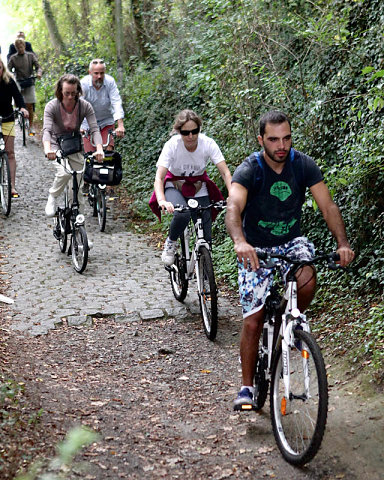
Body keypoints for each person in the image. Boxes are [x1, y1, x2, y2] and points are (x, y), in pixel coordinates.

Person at [225, 110, 355, 410]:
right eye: (273, 139)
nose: (280, 145)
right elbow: (233, 206)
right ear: (261, 140)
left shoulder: (303, 164)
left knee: (308, 277)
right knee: (254, 319)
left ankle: (289, 322)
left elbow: (328, 206)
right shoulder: (250, 169)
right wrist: (240, 242)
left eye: (286, 138)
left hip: (291, 242)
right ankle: (246, 387)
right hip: (255, 247)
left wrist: (343, 243)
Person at [149, 109, 232, 265]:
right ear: (179, 132)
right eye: (185, 132)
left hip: (197, 186)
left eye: (194, 131)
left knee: (206, 234)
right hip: (174, 185)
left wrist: (233, 194)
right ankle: (171, 243)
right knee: (182, 214)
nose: (190, 136)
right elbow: (159, 177)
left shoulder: (207, 143)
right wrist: (162, 200)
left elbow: (225, 173)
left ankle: (205, 271)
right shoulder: (172, 145)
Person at [42, 74, 103, 221]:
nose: (70, 97)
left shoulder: (84, 106)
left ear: (78, 92)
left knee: (76, 191)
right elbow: (47, 131)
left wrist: (99, 149)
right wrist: (47, 149)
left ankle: (79, 232)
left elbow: (94, 128)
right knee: (64, 173)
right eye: (66, 93)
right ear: (60, 92)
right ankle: (52, 195)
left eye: (73, 93)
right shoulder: (52, 106)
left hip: (75, 146)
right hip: (56, 145)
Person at [80, 58, 125, 152]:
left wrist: (120, 125)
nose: (99, 76)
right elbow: (78, 106)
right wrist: (79, 125)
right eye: (96, 73)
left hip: (106, 122)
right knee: (91, 156)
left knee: (108, 152)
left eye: (102, 73)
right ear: (90, 72)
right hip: (88, 124)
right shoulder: (83, 84)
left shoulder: (110, 82)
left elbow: (116, 102)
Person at [0, 57, 29, 198]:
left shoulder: (9, 81)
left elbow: (18, 97)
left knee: (10, 152)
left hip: (7, 118)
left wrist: (23, 108)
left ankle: (12, 187)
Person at [8, 38, 42, 135]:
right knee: (17, 101)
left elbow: (38, 66)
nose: (20, 48)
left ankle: (30, 126)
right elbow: (9, 70)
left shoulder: (30, 56)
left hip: (29, 81)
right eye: (18, 47)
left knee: (30, 104)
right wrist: (11, 77)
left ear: (24, 46)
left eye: (21, 46)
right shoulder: (13, 58)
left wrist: (38, 73)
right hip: (18, 82)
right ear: (16, 48)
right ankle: (19, 114)